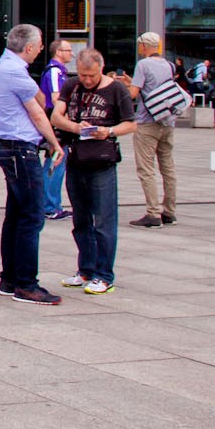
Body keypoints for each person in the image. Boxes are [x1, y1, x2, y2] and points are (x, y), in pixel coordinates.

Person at [0, 23, 66, 305]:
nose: (42, 48)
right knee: (32, 216)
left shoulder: (5, 66)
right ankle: (25, 283)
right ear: (30, 47)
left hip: (12, 147)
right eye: (40, 43)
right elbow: (38, 109)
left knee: (16, 214)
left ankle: (10, 278)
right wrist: (55, 143)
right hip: (21, 149)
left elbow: (39, 100)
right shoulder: (14, 71)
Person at [49, 48, 134, 295]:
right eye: (83, 75)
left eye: (92, 76)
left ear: (101, 68)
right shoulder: (71, 85)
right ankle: (85, 269)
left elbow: (131, 124)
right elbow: (56, 117)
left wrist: (108, 131)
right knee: (81, 219)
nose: (87, 80)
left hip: (102, 161)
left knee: (104, 221)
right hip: (77, 158)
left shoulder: (116, 90)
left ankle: (104, 274)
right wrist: (77, 127)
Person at [124, 32, 180, 228]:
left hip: (147, 122)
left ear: (144, 46)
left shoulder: (143, 65)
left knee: (146, 169)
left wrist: (124, 86)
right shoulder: (169, 65)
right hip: (167, 121)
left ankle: (153, 213)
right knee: (168, 168)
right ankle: (169, 212)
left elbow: (133, 93)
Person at [35, 39, 74, 221]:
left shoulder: (60, 71)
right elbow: (56, 98)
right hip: (56, 123)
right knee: (55, 161)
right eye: (68, 50)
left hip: (56, 121)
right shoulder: (55, 71)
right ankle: (49, 205)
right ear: (58, 52)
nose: (71, 53)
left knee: (57, 161)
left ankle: (52, 204)